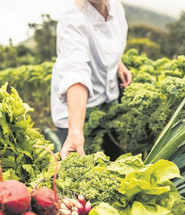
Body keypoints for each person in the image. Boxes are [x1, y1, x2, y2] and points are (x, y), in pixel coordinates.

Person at [50, 0, 132, 160]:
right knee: (84, 174)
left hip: (108, 101)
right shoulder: (73, 18)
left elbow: (107, 46)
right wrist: (75, 131)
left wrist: (118, 64)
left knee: (113, 158)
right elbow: (76, 71)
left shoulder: (116, 9)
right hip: (76, 112)